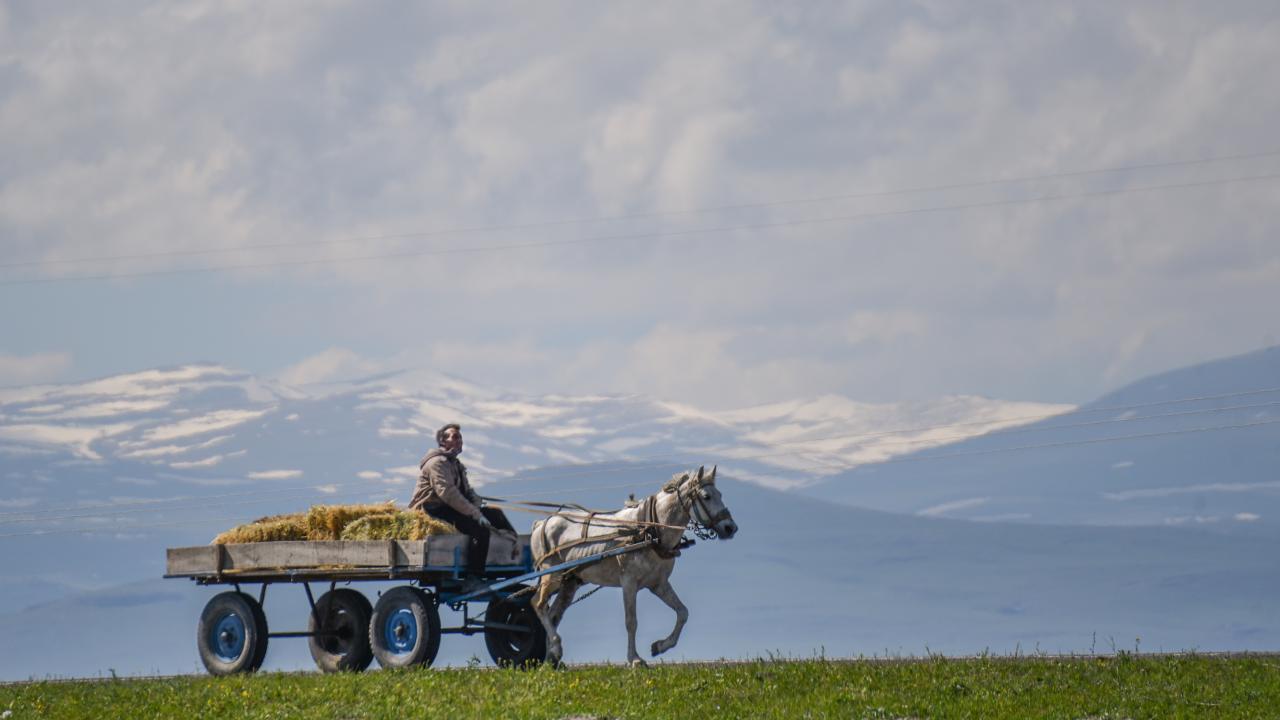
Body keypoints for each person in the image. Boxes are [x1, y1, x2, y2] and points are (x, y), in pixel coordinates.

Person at [409, 423, 515, 582]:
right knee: (479, 530)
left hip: (449, 507)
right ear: (443, 441)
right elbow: (448, 493)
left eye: (460, 438)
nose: (460, 441)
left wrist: (479, 504)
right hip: (433, 509)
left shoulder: (455, 464)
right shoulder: (436, 463)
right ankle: (474, 578)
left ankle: (513, 551)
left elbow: (466, 492)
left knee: (495, 514)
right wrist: (475, 513)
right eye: (455, 437)